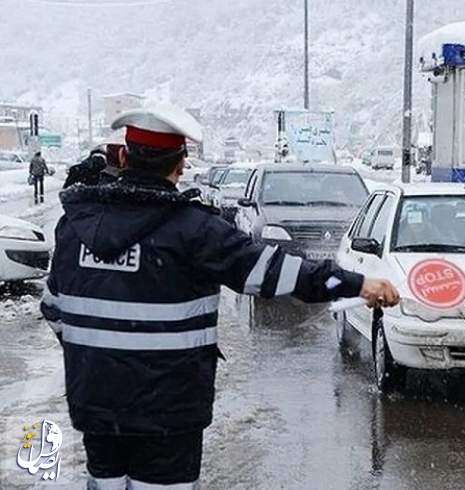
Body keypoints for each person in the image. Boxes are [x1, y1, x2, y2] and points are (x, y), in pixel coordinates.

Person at [40, 104, 399, 490]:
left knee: (105, 484)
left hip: (96, 404)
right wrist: (357, 284)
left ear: (124, 157)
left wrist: (102, 357)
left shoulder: (75, 226)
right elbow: (278, 274)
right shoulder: (195, 231)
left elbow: (53, 308)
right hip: (168, 412)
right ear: (180, 165)